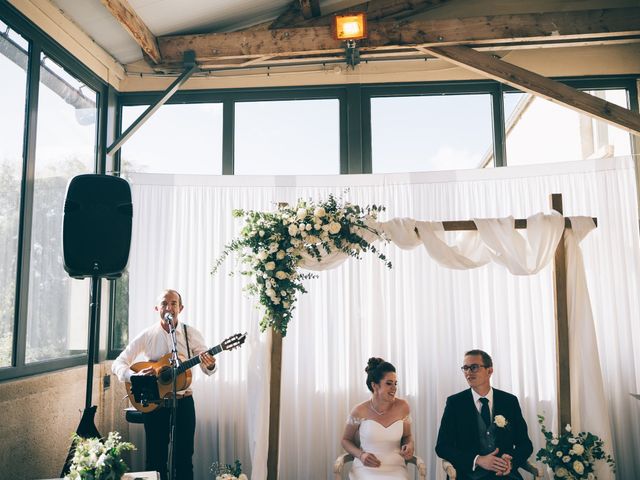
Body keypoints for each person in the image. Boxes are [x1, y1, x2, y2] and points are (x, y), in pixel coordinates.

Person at [112, 289, 217, 480]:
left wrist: (210, 364)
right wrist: (134, 377)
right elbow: (118, 363)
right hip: (155, 403)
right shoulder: (148, 335)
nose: (169, 307)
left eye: (173, 303)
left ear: (181, 308)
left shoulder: (190, 333)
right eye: (164, 303)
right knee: (155, 459)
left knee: (184, 459)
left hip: (184, 401)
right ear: (156, 308)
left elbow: (206, 367)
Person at [435, 349, 533, 479]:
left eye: (474, 367)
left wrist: (511, 461)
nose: (468, 372)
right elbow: (442, 447)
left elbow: (525, 444)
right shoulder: (455, 403)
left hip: (504, 475)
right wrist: (477, 460)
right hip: (469, 475)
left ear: (489, 370)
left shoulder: (509, 401)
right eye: (465, 368)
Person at [341, 357, 415, 479]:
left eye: (395, 383)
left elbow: (407, 436)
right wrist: (361, 455)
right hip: (366, 468)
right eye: (389, 383)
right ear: (374, 386)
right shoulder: (359, 411)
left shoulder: (403, 407)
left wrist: (409, 446)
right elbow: (345, 440)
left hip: (396, 468)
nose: (394, 388)